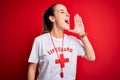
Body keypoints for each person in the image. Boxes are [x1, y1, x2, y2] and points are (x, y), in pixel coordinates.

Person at [28, 3, 95, 80]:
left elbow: (91, 57)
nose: (68, 15)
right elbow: (32, 69)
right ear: (52, 18)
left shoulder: (73, 41)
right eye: (62, 12)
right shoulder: (40, 41)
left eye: (67, 12)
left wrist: (82, 34)